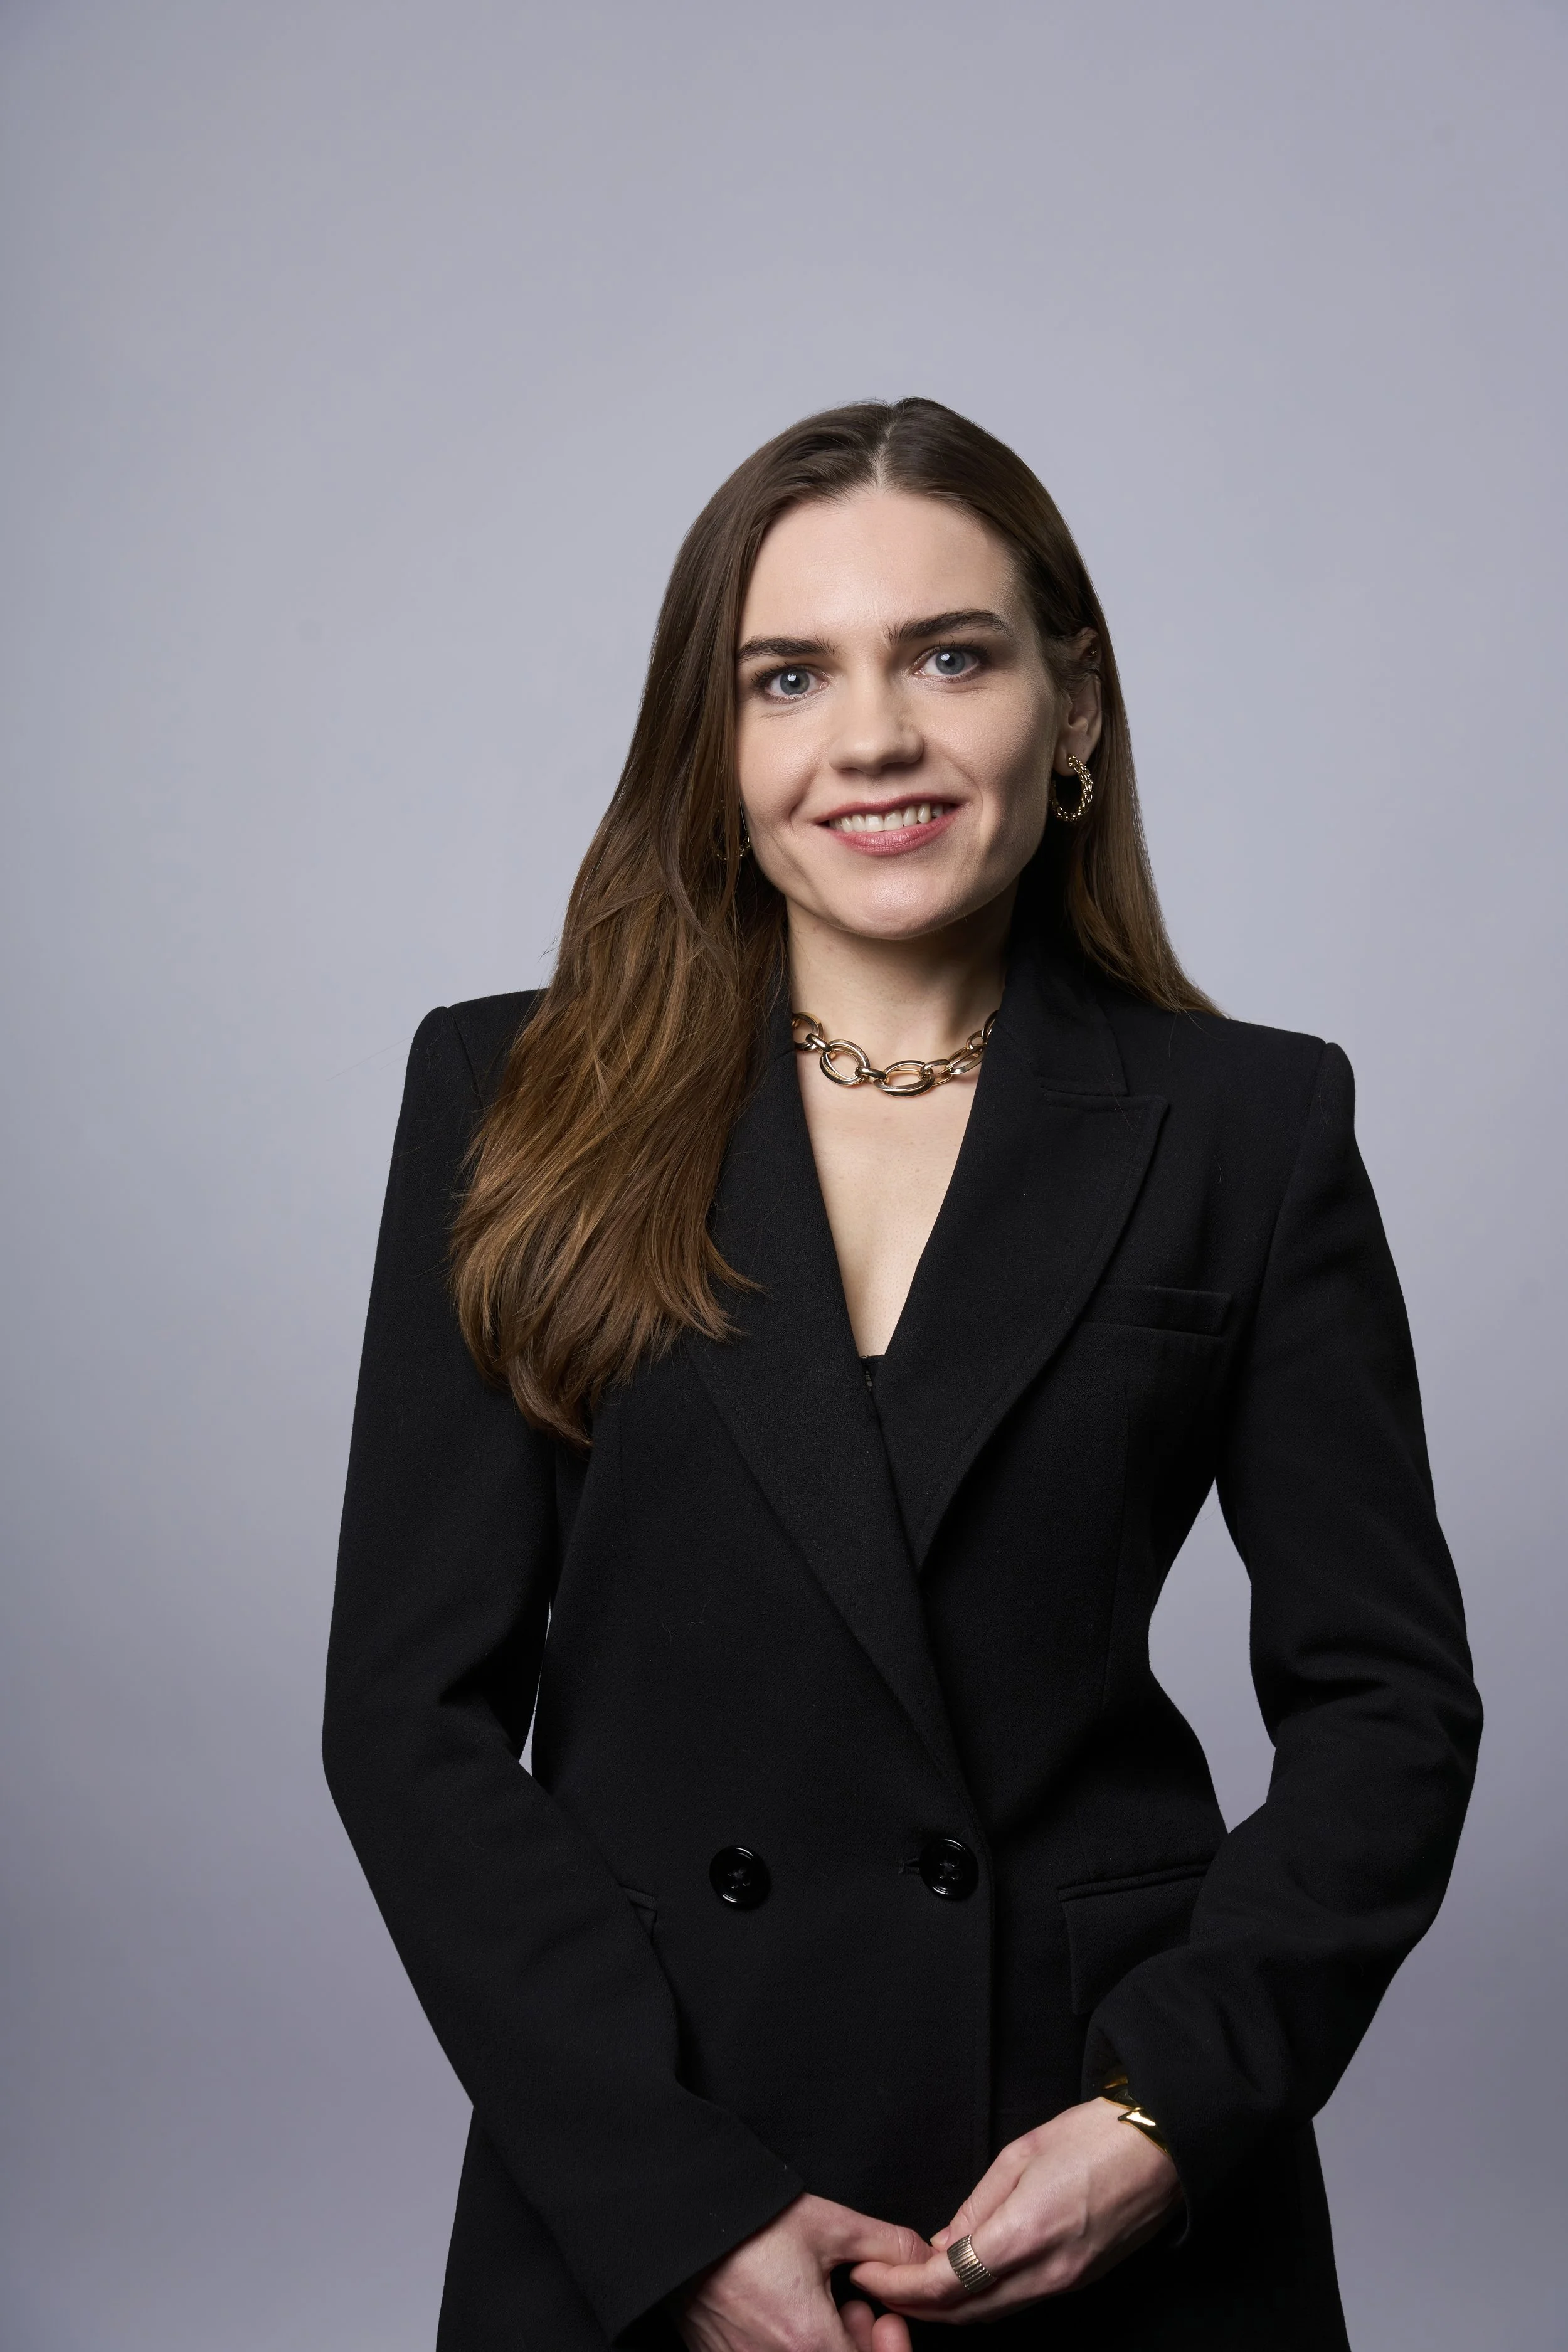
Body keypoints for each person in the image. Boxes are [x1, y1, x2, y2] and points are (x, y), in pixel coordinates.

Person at [324, 398, 1481, 2350]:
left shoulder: (1246, 1124)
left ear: (1074, 706)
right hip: (651, 2143)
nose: (873, 735)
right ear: (721, 739)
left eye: (950, 654)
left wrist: (1161, 2109)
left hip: (1086, 2154)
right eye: (791, 674)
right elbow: (409, 1718)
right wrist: (674, 2199)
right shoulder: (509, 1096)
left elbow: (1387, 1703)